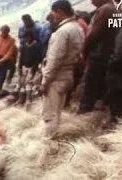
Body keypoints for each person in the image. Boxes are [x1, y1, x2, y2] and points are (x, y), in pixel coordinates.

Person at [37, 0, 85, 137]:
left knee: (50, 115)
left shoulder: (63, 32)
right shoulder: (78, 28)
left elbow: (54, 59)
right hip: (68, 74)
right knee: (57, 111)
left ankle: (49, 145)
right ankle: (55, 140)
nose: (53, 17)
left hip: (56, 78)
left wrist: (45, 82)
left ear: (59, 12)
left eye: (54, 13)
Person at [78, 0, 117, 114]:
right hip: (109, 55)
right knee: (102, 88)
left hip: (99, 56)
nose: (91, 1)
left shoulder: (106, 9)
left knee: (90, 89)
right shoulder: (117, 8)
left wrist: (84, 52)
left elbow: (94, 35)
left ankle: (84, 114)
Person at [14, 31, 42, 105]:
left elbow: (37, 59)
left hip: (31, 68)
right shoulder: (24, 46)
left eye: (28, 37)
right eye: (25, 38)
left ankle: (28, 99)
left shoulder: (36, 46)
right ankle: (20, 99)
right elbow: (21, 58)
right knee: (21, 83)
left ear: (31, 37)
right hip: (24, 67)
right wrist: (20, 67)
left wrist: (34, 68)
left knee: (28, 83)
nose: (27, 39)